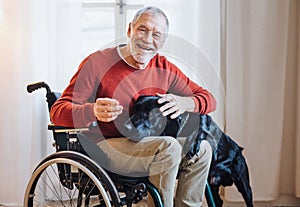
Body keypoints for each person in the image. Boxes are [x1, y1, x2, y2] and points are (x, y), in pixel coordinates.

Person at [50, 6, 216, 207]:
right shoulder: (97, 62)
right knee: (169, 146)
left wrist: (185, 102)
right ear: (129, 29)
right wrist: (92, 110)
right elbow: (57, 112)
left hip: (148, 144)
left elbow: (208, 99)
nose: (147, 39)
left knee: (202, 149)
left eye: (156, 34)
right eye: (142, 30)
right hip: (107, 146)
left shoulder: (164, 67)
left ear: (162, 41)